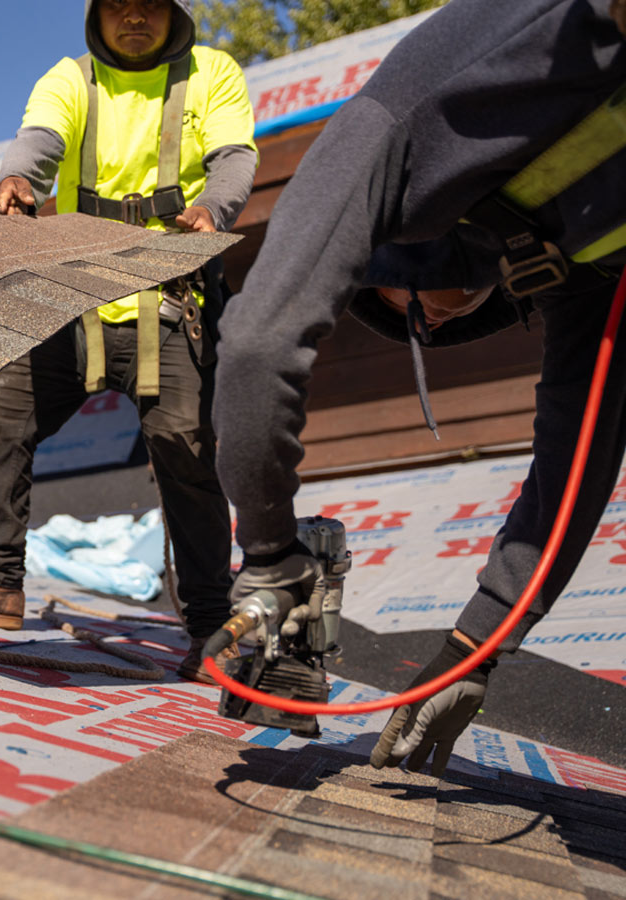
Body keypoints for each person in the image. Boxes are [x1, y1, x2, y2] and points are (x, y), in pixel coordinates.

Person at [210, 0, 626, 773]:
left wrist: (270, 556)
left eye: (402, 313)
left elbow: (258, 344)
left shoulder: (388, 128)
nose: (426, 329)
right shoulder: (579, 265)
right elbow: (577, 461)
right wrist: (475, 645)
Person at [0, 0, 258, 682]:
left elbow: (235, 159)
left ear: (173, 14)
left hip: (167, 298)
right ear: (98, 16)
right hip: (75, 295)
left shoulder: (211, 72)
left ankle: (214, 630)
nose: (135, 16)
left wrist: (213, 208)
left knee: (183, 453)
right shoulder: (71, 78)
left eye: (151, 4)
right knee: (4, 408)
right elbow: (37, 141)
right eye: (119, 4)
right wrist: (16, 181)